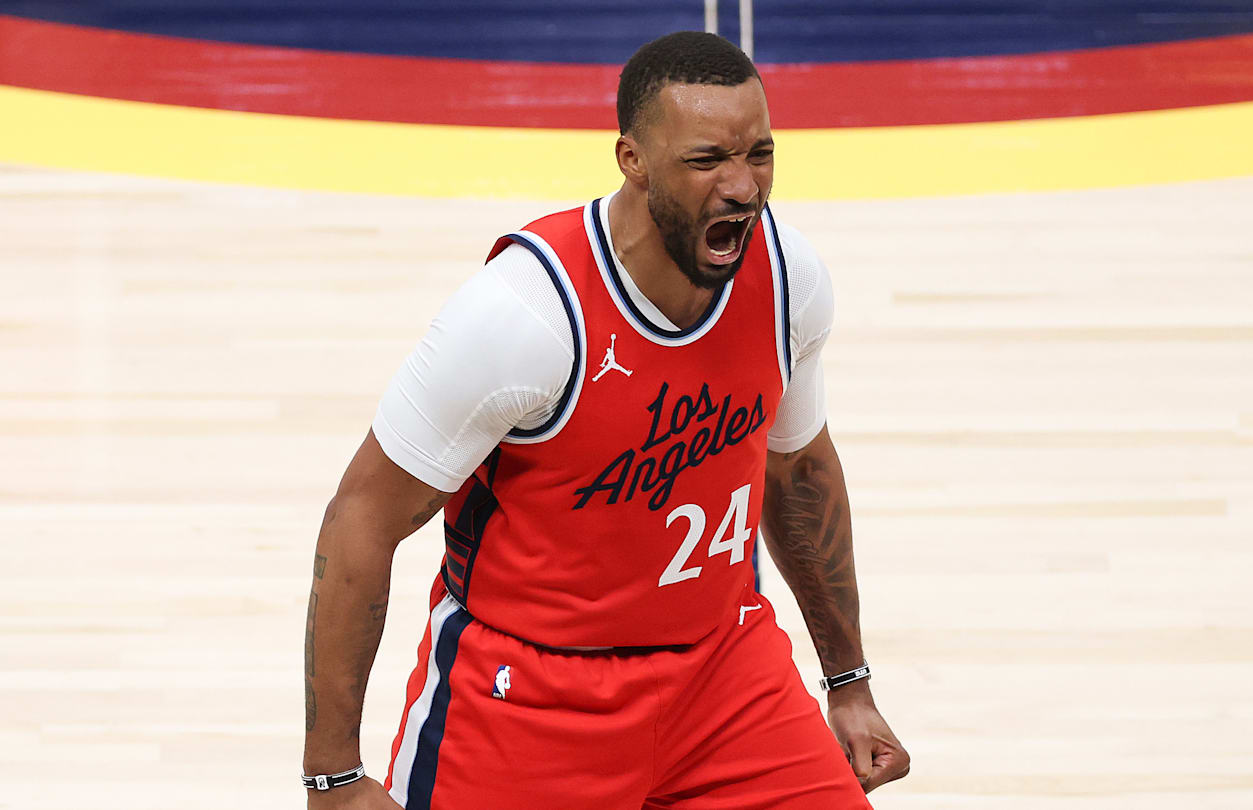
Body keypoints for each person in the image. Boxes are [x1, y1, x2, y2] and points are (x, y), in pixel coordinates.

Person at [302, 30, 909, 809]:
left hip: (724, 670)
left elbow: (798, 471)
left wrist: (848, 681)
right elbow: (361, 517)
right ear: (633, 160)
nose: (742, 185)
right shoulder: (526, 313)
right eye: (706, 160)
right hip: (531, 693)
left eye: (759, 154)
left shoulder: (789, 277)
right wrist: (333, 778)